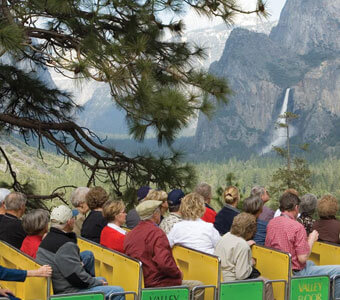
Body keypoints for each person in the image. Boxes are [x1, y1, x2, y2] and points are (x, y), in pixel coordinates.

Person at [36, 205, 124, 300]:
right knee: (117, 291)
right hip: (66, 291)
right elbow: (77, 278)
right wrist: (96, 283)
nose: (75, 220)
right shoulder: (65, 245)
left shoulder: (48, 238)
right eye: (73, 218)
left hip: (56, 285)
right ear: (69, 222)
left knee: (91, 262)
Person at [265, 192, 340, 299]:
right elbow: (302, 258)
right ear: (296, 207)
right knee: (339, 270)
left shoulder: (272, 223)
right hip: (296, 273)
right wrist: (311, 239)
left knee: (311, 263)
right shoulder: (297, 227)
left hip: (279, 268)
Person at [124, 200, 204, 300]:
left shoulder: (130, 234)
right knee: (198, 287)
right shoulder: (157, 233)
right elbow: (164, 262)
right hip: (157, 283)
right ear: (155, 214)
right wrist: (178, 273)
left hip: (138, 282)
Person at [214, 213, 274, 300]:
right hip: (232, 283)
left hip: (220, 278)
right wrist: (250, 263)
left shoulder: (226, 236)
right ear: (249, 231)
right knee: (267, 283)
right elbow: (241, 275)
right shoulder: (243, 245)